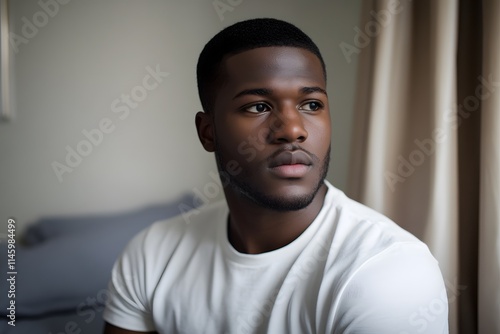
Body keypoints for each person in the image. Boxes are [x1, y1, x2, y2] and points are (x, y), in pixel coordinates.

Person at [103, 18, 449, 333]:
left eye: (311, 105)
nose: (293, 130)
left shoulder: (389, 271)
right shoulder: (151, 254)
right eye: (258, 106)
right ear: (208, 132)